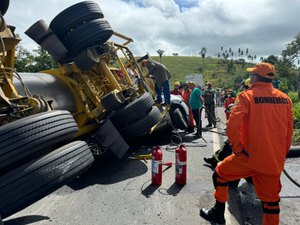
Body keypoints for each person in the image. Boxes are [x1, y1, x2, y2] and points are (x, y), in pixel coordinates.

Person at [200, 62, 294, 225]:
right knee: (271, 204)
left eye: (252, 75)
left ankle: (218, 213)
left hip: (248, 158)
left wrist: (238, 150)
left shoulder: (246, 96)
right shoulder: (285, 100)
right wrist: (279, 156)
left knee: (220, 173)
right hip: (272, 162)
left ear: (256, 77)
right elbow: (289, 133)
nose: (250, 77)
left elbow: (232, 126)